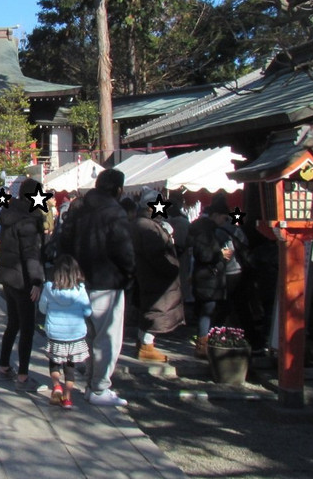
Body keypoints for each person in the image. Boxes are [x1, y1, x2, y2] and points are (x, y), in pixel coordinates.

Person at [58, 168, 134, 406]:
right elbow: (124, 250)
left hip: (78, 280)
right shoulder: (114, 212)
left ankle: (92, 381)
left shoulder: (78, 208)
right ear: (118, 189)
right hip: (106, 280)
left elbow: (63, 241)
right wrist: (129, 274)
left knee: (89, 336)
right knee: (107, 337)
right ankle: (99, 387)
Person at [0, 179, 47, 387]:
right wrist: (36, 280)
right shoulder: (29, 221)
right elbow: (30, 253)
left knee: (13, 323)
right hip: (23, 278)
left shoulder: (9, 214)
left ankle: (4, 365)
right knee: (26, 327)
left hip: (8, 276)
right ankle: (23, 375)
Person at [131, 188, 185, 362]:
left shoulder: (144, 223)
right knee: (154, 310)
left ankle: (144, 342)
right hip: (153, 275)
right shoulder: (146, 226)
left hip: (148, 273)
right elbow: (155, 253)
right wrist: (170, 267)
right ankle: (147, 345)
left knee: (150, 310)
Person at [38, 254, 93, 409]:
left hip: (55, 333)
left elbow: (42, 308)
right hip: (75, 334)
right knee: (70, 366)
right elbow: (88, 311)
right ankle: (67, 398)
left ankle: (56, 386)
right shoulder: (80, 290)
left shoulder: (49, 287)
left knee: (54, 361)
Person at [188, 192, 236, 359]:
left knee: (206, 312)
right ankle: (203, 346)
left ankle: (205, 344)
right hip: (209, 278)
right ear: (216, 215)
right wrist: (222, 256)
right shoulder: (208, 231)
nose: (224, 222)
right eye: (223, 218)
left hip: (203, 276)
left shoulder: (202, 228)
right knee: (207, 312)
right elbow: (206, 254)